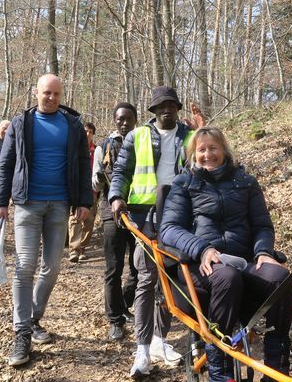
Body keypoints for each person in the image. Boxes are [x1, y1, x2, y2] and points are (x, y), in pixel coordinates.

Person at [160, 126, 292, 382]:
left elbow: (262, 225)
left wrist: (264, 251)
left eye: (213, 148)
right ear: (193, 154)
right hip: (202, 264)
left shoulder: (246, 182)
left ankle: (277, 367)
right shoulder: (184, 183)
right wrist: (202, 248)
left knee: (280, 277)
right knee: (227, 277)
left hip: (246, 260)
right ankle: (219, 371)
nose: (207, 154)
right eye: (201, 150)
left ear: (224, 150)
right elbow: (169, 229)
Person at [0, 74, 92, 367]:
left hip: (60, 204)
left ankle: (33, 317)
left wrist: (84, 201)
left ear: (61, 96)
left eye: (56, 94)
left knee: (52, 267)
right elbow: (6, 163)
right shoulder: (21, 124)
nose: (50, 98)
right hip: (27, 204)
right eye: (46, 93)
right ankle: (22, 333)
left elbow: (82, 165)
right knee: (24, 266)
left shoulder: (72, 125)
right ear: (35, 92)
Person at [108, 86, 195, 377]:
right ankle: (142, 348)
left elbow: (210, 166)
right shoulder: (137, 136)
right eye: (161, 106)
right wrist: (116, 197)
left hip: (181, 214)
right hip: (145, 214)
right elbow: (121, 171)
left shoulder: (191, 136)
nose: (167, 110)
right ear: (154, 111)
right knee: (147, 276)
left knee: (174, 276)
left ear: (177, 108)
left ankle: (160, 338)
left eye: (171, 105)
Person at [92, 103, 139, 340]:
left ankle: (124, 305)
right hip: (111, 213)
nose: (124, 123)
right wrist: (100, 177)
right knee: (113, 267)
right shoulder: (105, 146)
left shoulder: (143, 142)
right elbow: (95, 184)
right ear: (114, 120)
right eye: (120, 119)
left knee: (139, 267)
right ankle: (115, 319)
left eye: (128, 119)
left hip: (139, 212)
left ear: (135, 120)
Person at [68, 122, 98, 262]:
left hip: (92, 190)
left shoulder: (97, 150)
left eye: (90, 132)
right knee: (75, 218)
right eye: (85, 131)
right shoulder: (74, 147)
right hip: (76, 188)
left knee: (89, 220)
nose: (88, 134)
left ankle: (82, 248)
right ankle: (74, 249)